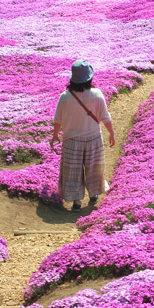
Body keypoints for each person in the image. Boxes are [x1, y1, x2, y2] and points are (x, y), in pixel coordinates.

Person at [50, 60, 115, 211]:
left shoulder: (65, 97)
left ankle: (76, 202)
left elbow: (58, 120)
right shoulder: (97, 94)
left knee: (73, 171)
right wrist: (111, 133)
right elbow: (105, 117)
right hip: (93, 138)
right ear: (89, 78)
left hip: (72, 140)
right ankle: (94, 194)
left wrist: (55, 135)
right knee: (94, 167)